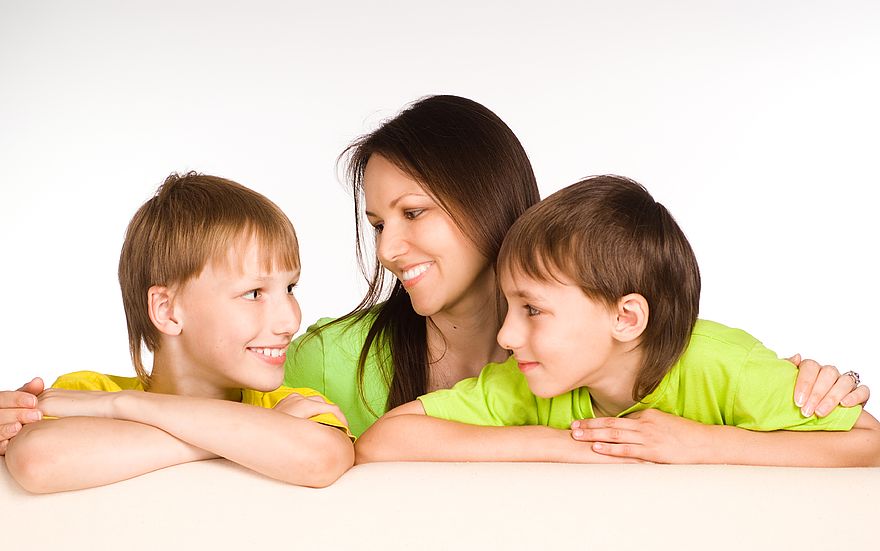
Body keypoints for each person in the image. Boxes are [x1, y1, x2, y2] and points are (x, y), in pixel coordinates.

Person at [279, 94, 865, 440]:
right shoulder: (325, 359)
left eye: (412, 212)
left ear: (487, 201)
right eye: (379, 224)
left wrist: (805, 396)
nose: (386, 249)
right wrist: (602, 446)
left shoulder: (595, 347)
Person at [356, 176, 879, 467]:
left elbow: (869, 442)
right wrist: (563, 445)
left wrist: (705, 444)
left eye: (532, 310)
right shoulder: (528, 385)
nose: (506, 335)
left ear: (626, 317)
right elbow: (385, 439)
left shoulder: (723, 365)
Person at [3, 172, 355, 493]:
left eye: (290, 288)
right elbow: (39, 460)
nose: (290, 320)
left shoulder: (292, 405)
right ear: (167, 310)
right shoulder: (84, 391)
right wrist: (256, 434)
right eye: (254, 293)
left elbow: (321, 459)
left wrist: (122, 405)